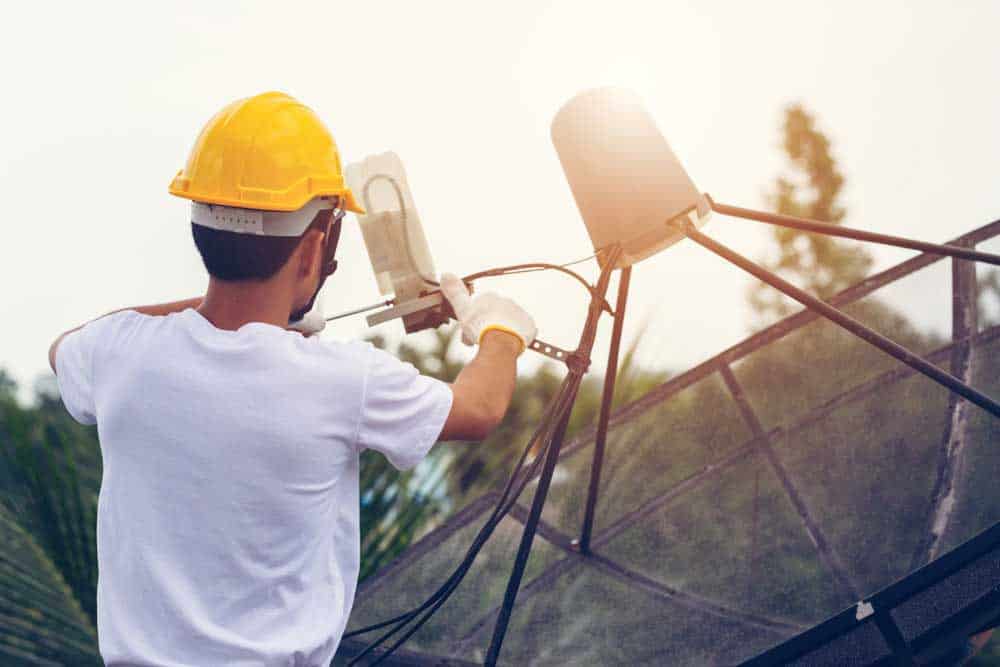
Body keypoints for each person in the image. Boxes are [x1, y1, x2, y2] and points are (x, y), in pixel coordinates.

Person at [47, 91, 536, 666]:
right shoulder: (340, 381)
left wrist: (217, 308)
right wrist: (502, 330)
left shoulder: (119, 355)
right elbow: (478, 409)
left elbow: (67, 347)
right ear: (312, 252)